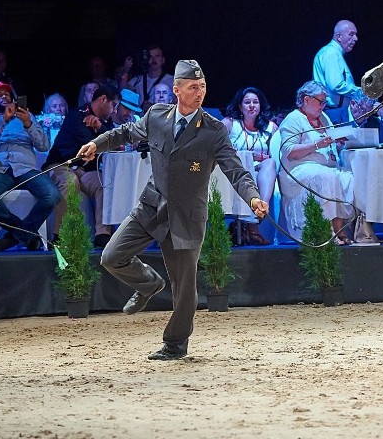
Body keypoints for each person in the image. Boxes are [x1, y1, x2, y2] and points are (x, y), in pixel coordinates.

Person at [77, 59, 268, 361]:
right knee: (112, 256)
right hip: (152, 206)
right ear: (177, 90)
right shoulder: (156, 116)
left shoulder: (213, 130)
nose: (200, 92)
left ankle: (176, 344)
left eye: (202, 86)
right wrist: (97, 143)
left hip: (187, 215)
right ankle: (149, 283)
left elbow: (236, 170)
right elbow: (127, 132)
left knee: (185, 290)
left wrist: (253, 197)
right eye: (193, 87)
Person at [277, 81, 376, 244]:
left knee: (349, 178)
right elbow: (290, 151)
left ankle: (341, 228)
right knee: (327, 177)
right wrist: (317, 145)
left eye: (324, 102)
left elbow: (328, 141)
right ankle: (328, 230)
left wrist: (338, 141)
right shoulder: (293, 119)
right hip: (298, 169)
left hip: (325, 167)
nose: (323, 105)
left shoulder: (323, 118)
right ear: (306, 99)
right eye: (320, 101)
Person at [0, 81, 61, 251]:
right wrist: (4, 120)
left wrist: (28, 123)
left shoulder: (26, 116)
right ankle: (26, 235)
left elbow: (44, 145)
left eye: (7, 93)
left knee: (52, 195)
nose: (5, 96)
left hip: (26, 167)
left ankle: (13, 237)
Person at [45, 84, 120, 249]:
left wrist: (100, 127)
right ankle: (60, 236)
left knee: (104, 182)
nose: (114, 110)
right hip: (61, 165)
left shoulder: (104, 123)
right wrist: (100, 134)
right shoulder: (75, 115)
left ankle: (102, 234)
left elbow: (115, 143)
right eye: (113, 105)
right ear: (103, 99)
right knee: (70, 181)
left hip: (85, 170)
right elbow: (89, 144)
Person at [222, 86, 278, 246]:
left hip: (261, 171)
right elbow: (216, 146)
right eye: (247, 102)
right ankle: (253, 229)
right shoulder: (230, 124)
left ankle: (261, 209)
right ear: (240, 106)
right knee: (247, 167)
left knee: (270, 163)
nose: (252, 105)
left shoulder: (271, 128)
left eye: (255, 102)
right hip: (235, 170)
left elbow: (275, 155)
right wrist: (250, 155)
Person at [312, 20, 363, 124]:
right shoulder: (332, 53)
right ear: (339, 37)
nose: (356, 39)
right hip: (335, 113)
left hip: (335, 112)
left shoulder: (331, 53)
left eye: (356, 35)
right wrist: (362, 92)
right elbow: (336, 85)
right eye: (351, 34)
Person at [126, 45, 174, 111]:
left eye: (157, 56)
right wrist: (126, 71)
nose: (154, 60)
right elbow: (121, 97)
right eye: (150, 57)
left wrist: (155, 107)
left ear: (163, 60)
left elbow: (181, 103)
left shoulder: (172, 81)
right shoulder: (137, 80)